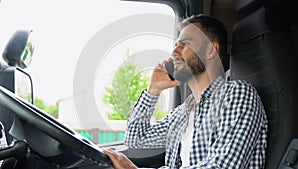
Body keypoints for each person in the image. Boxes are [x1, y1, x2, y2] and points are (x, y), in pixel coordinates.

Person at [104, 14, 268, 169]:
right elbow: (135, 139)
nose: (174, 52)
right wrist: (153, 90)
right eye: (176, 46)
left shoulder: (237, 95)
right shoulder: (183, 112)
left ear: (211, 50)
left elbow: (222, 166)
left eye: (185, 45)